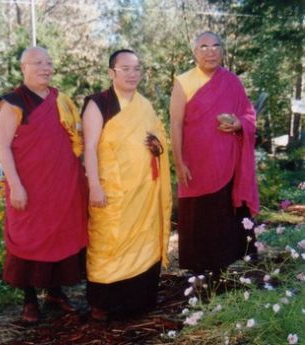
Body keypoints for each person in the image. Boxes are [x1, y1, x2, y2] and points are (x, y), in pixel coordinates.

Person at [0, 46, 88, 324]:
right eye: (38, 63)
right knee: (28, 238)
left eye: (49, 62)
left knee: (59, 235)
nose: (45, 68)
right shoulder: (13, 102)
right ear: (24, 67)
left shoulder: (61, 99)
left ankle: (55, 293)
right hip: (29, 185)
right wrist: (16, 185)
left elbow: (74, 135)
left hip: (62, 184)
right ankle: (29, 300)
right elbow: (2, 145)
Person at [82, 49, 172, 321]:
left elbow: (160, 139)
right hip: (111, 191)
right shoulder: (98, 104)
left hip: (144, 191)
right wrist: (95, 186)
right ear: (112, 73)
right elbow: (89, 148)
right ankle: (103, 303)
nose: (132, 74)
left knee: (143, 240)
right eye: (125, 69)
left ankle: (138, 301)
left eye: (137, 69)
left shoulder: (144, 105)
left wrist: (159, 146)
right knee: (108, 242)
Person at [170, 32, 259, 280]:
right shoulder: (184, 81)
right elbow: (175, 123)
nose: (210, 51)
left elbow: (249, 114)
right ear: (194, 53)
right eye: (204, 46)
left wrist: (239, 124)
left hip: (228, 162)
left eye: (216, 46)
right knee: (199, 215)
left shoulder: (231, 81)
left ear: (222, 50)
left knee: (225, 215)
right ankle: (199, 273)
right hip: (195, 163)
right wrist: (179, 161)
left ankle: (224, 269)